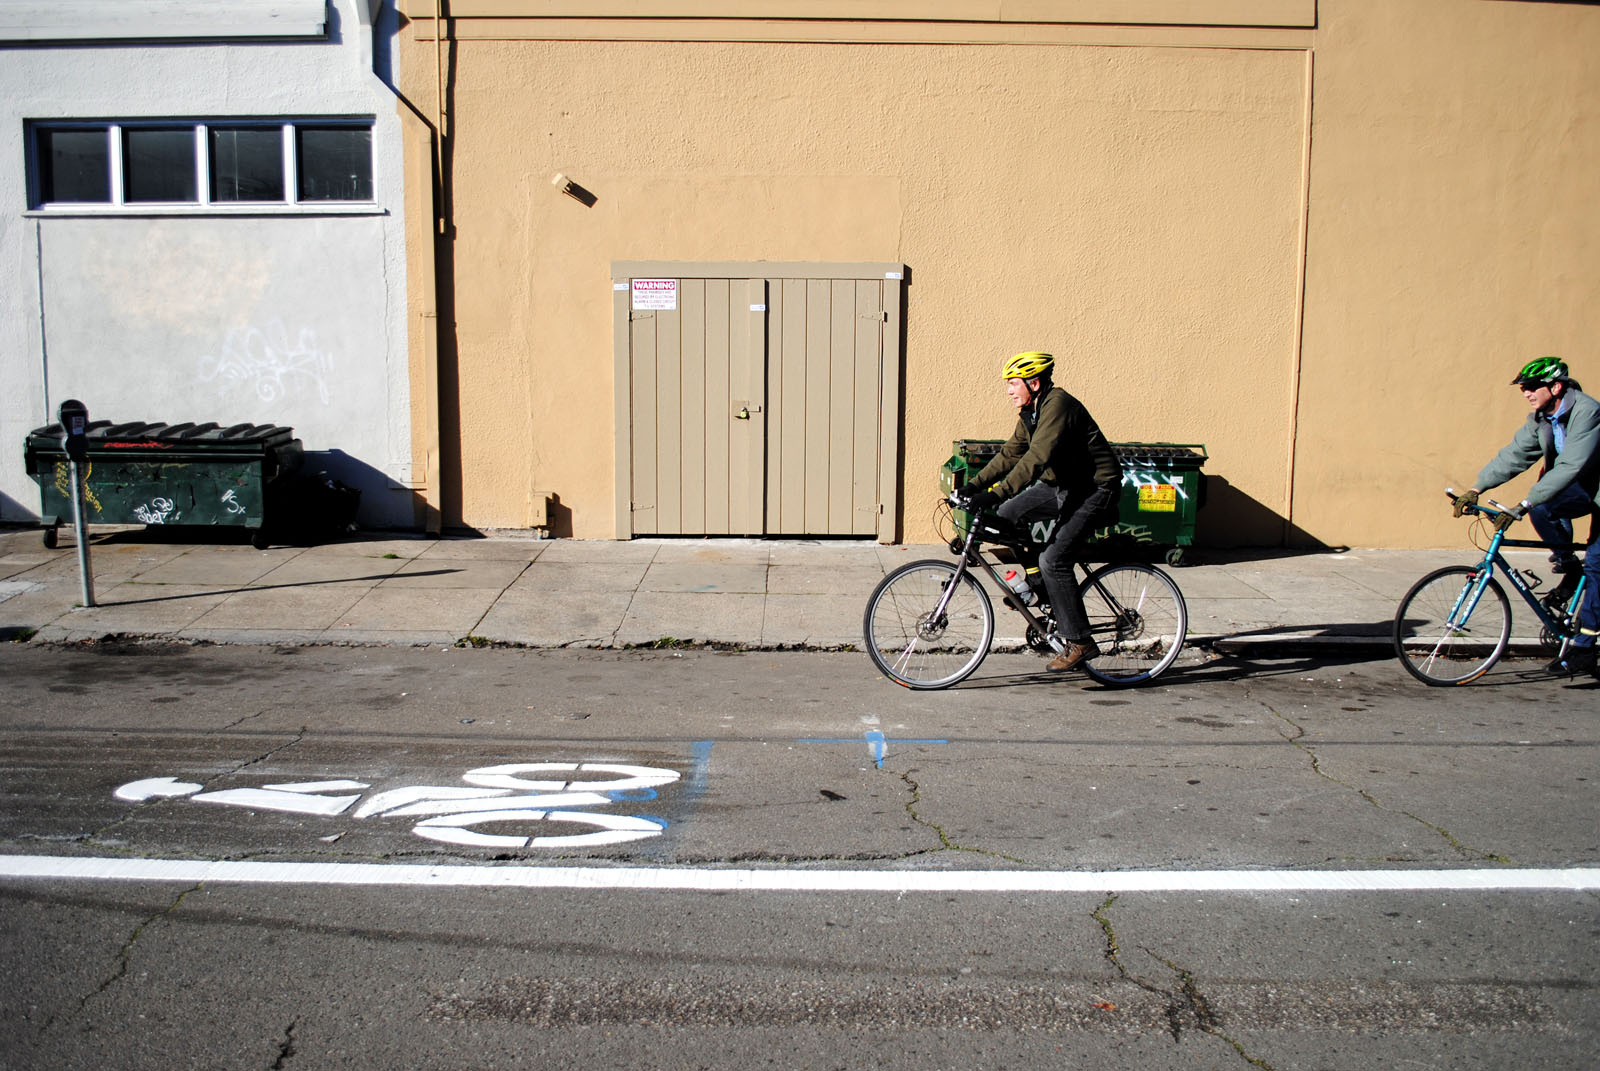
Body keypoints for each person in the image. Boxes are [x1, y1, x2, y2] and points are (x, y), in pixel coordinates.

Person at [955, 351, 1122, 672]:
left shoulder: (1057, 405)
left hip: (1095, 488)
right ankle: (1039, 586)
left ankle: (1081, 641)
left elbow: (1036, 458)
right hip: (1059, 485)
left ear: (1034, 382)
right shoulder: (1030, 412)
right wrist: (974, 487)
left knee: (1054, 559)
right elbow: (1010, 455)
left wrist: (995, 493)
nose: (1008, 390)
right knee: (1004, 517)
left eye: (1013, 383)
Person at [1455, 356, 1600, 677]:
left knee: (1597, 562)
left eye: (1532, 387)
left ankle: (1585, 648)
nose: (1526, 392)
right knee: (1545, 510)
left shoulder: (1588, 412)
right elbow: (1514, 456)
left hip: (1589, 486)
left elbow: (1570, 466)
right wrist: (1475, 488)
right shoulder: (1541, 418)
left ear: (1556, 386)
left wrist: (1523, 504)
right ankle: (1569, 567)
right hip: (1579, 487)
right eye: (1523, 388)